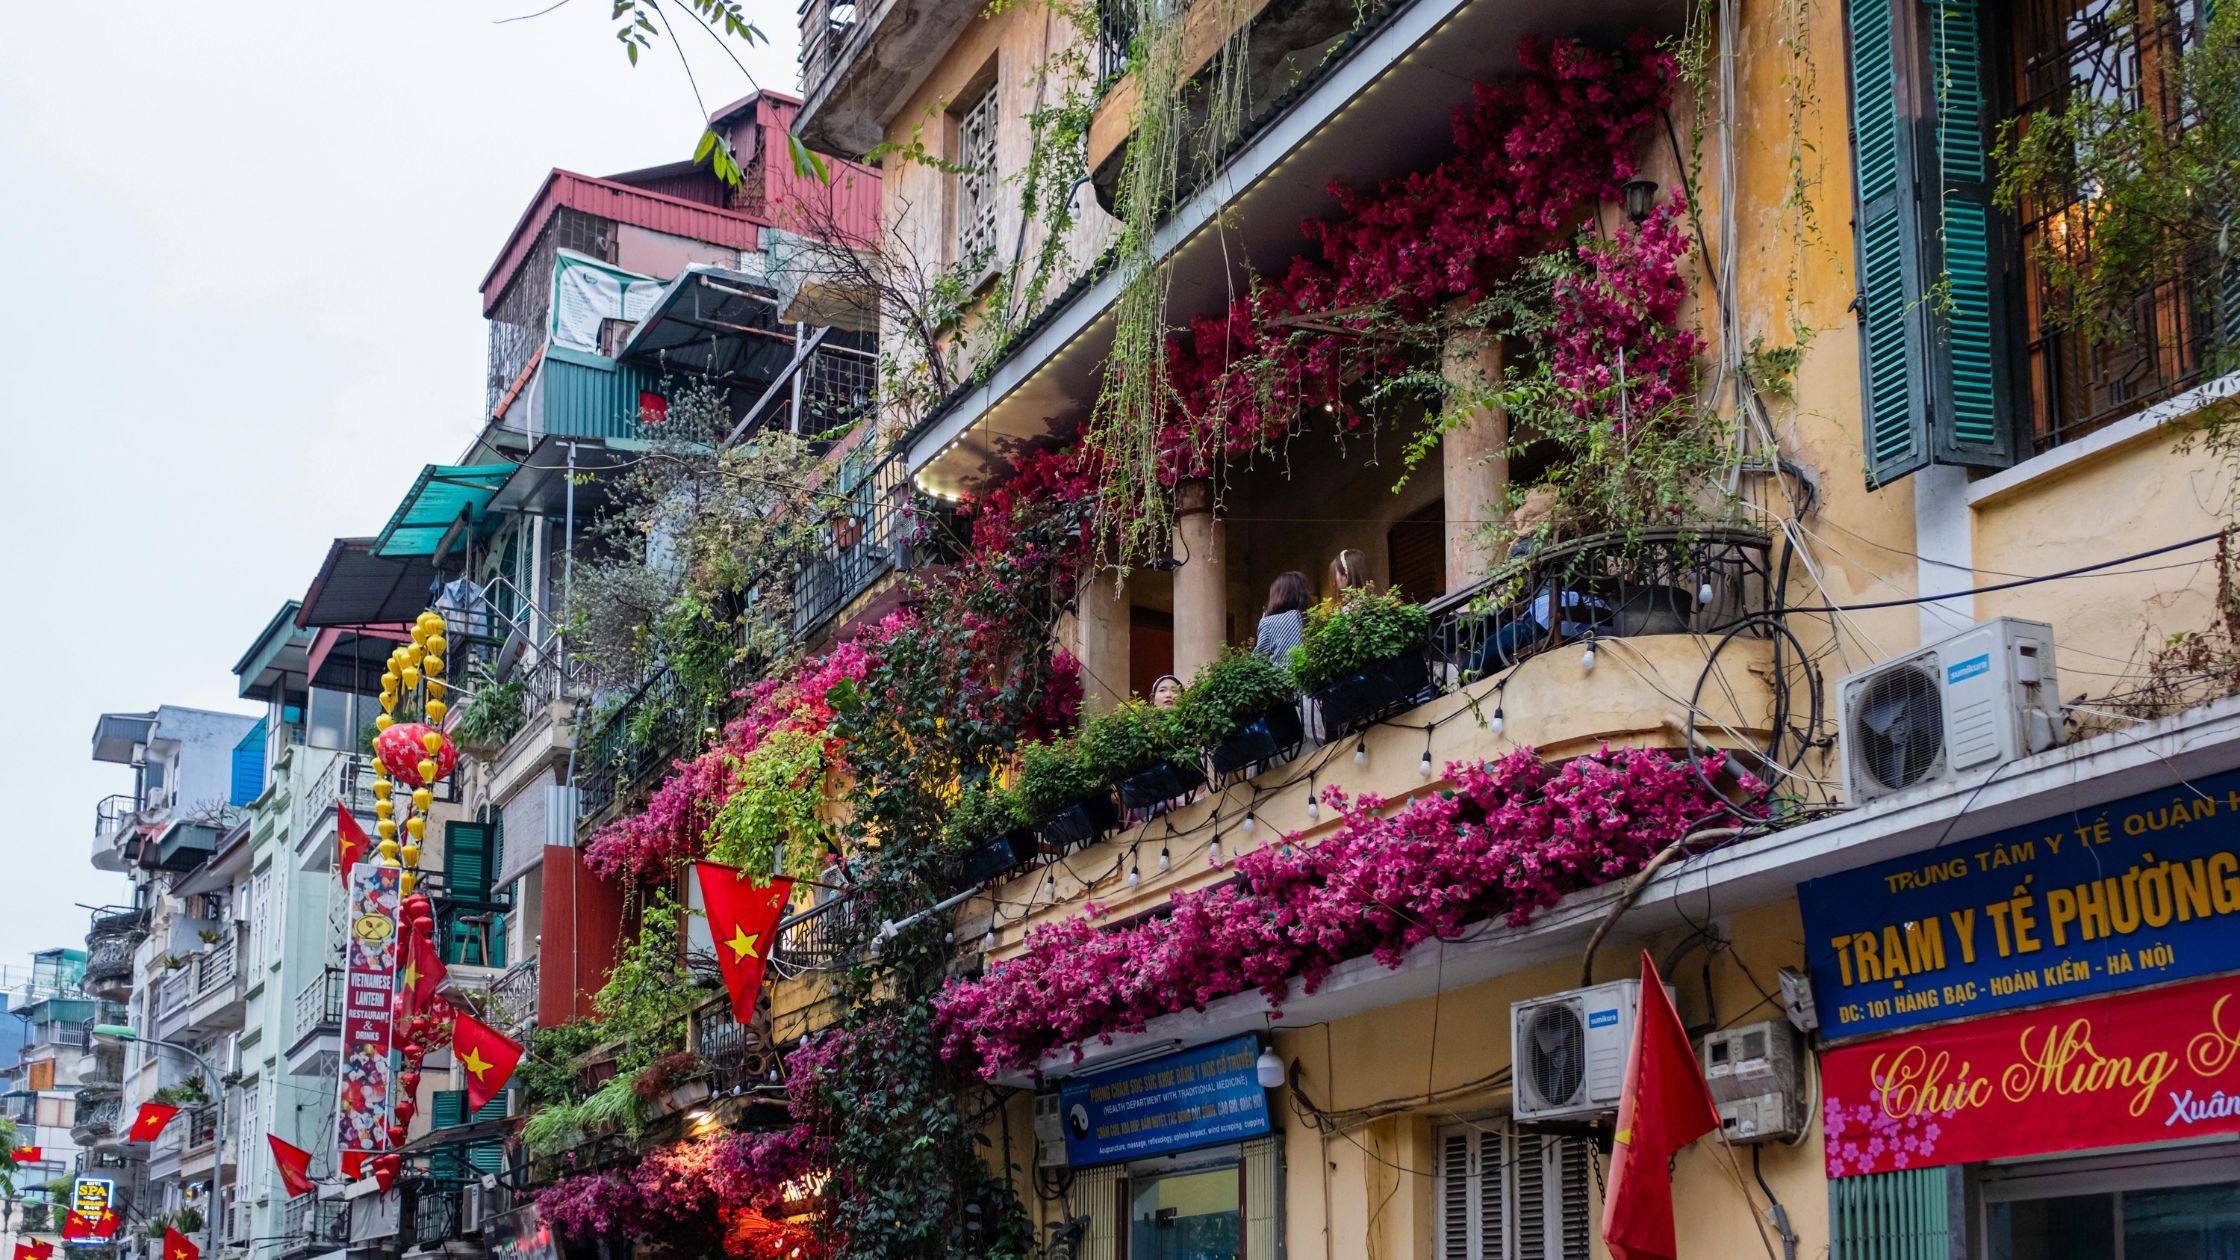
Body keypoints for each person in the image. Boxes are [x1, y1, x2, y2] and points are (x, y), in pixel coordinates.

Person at [1254, 571, 1312, 663]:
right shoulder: (1316, 620)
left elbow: (1257, 662)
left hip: (1282, 677)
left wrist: (1263, 621)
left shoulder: (1268, 623)